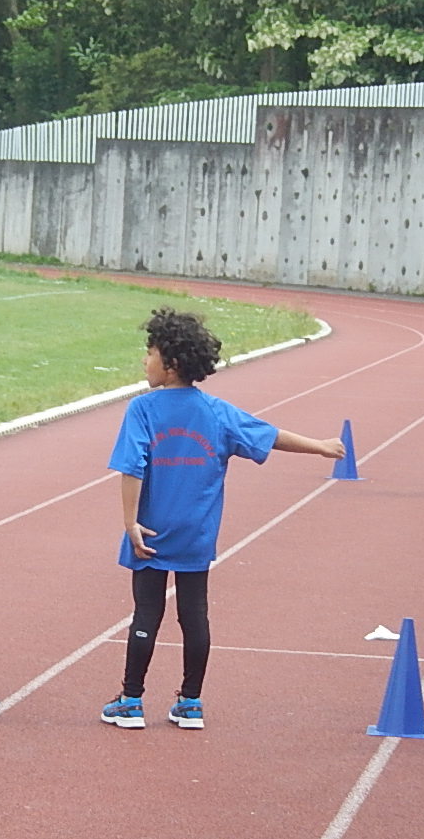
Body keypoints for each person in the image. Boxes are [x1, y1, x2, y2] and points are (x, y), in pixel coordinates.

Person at [100, 308, 345, 730]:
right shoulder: (216, 412)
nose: (144, 361)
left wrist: (130, 522)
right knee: (194, 614)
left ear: (171, 362)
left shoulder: (142, 411)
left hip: (151, 532)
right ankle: (191, 702)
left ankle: (131, 700)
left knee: (146, 613)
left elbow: (132, 467)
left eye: (150, 352)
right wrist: (320, 446)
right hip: (196, 534)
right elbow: (269, 435)